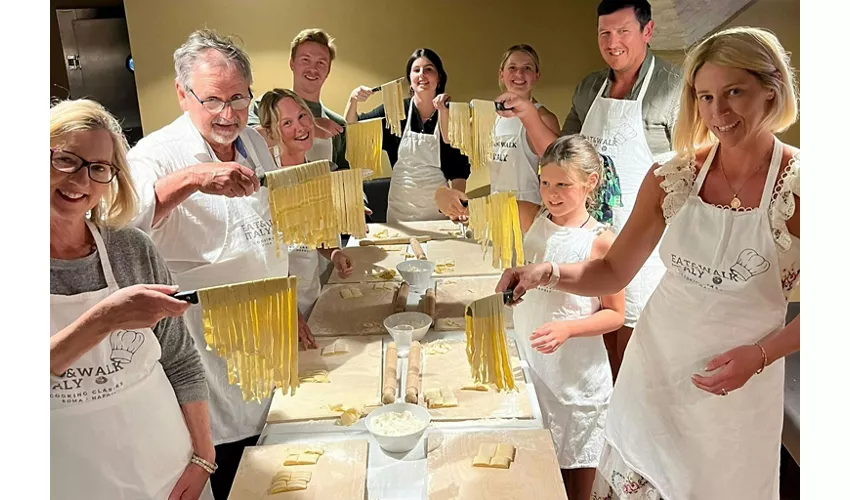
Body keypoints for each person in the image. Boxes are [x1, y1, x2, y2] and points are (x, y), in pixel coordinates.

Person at [497, 26, 800, 500]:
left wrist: (761, 356)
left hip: (739, 388)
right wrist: (545, 273)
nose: (717, 112)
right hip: (653, 373)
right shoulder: (675, 176)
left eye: (734, 92)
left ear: (771, 90)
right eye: (704, 97)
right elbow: (612, 271)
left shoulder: (800, 187)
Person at [126, 29, 316, 499]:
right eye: (213, 100)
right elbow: (123, 226)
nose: (228, 115)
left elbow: (268, 231)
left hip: (268, 335)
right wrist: (191, 179)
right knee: (233, 465)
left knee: (279, 464)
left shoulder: (253, 139)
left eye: (238, 98)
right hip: (207, 347)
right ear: (181, 92)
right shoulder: (154, 153)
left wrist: (285, 299)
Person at [496, 0, 684, 380]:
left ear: (647, 32)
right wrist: (528, 113)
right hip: (587, 246)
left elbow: (690, 174)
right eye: (604, 33)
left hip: (647, 254)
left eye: (623, 31)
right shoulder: (589, 88)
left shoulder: (675, 89)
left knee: (635, 368)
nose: (613, 42)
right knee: (592, 362)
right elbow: (559, 152)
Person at [439, 135, 624, 500]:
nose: (551, 194)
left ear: (590, 183)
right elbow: (465, 207)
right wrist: (445, 197)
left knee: (578, 475)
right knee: (540, 471)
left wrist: (568, 328)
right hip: (533, 364)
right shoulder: (530, 217)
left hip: (577, 378)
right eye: (545, 183)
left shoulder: (600, 241)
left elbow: (615, 315)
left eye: (563, 185)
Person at [50, 99, 215, 500]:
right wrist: (103, 319)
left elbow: (181, 358)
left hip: (168, 468)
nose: (80, 180)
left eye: (98, 168)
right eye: (65, 160)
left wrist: (204, 458)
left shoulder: (130, 248)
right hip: (67, 480)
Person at [256, 88, 355, 317]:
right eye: (286, 123)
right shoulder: (265, 178)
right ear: (271, 131)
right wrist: (289, 310)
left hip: (310, 292)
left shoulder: (315, 171)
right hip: (278, 303)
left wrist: (333, 254)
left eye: (302, 116)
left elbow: (314, 236)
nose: (300, 127)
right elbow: (264, 256)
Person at [344, 48, 471, 223]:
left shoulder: (453, 115)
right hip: (400, 210)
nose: (422, 75)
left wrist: (457, 205)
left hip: (438, 212)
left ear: (439, 77)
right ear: (410, 80)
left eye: (429, 69)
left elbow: (459, 168)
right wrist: (353, 101)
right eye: (416, 70)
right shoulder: (394, 113)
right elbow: (353, 129)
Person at [435, 44, 561, 217]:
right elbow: (451, 138)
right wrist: (443, 110)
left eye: (527, 68)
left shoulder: (544, 117)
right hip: (496, 205)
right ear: (501, 74)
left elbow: (559, 165)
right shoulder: (490, 115)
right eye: (512, 68)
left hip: (530, 207)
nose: (519, 74)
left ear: (537, 75)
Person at [248, 28, 349, 170]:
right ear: (292, 63)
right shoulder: (265, 105)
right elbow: (247, 143)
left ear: (328, 70)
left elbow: (342, 176)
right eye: (305, 60)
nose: (312, 69)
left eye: (321, 63)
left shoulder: (337, 124)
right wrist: (311, 127)